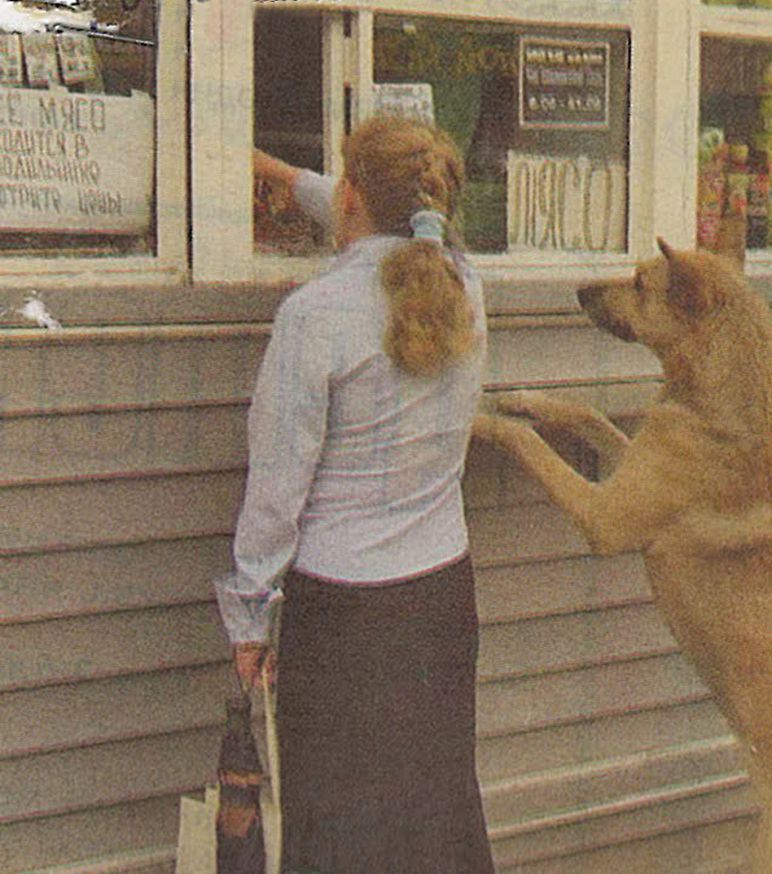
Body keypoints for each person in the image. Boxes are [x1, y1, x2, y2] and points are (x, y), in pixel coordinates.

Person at [215, 117, 494, 873]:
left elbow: (276, 492)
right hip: (440, 600)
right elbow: (387, 228)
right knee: (433, 825)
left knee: (340, 839)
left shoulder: (314, 316)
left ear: (351, 197)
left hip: (346, 618)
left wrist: (249, 617)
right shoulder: (462, 287)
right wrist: (280, 173)